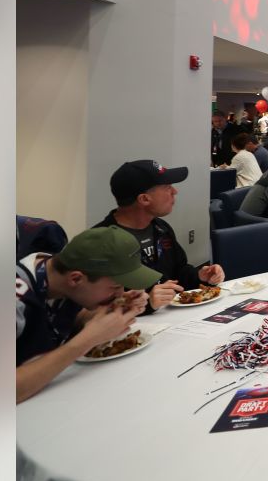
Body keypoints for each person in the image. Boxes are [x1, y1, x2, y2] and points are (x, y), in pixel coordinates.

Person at [16, 226, 155, 402]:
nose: (121, 293)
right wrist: (88, 340)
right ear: (75, 279)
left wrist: (114, 309)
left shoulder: (59, 276)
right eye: (115, 287)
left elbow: (70, 317)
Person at [94, 159, 225, 312]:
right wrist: (147, 302)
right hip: (131, 330)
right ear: (144, 199)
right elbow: (91, 309)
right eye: (167, 187)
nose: (175, 191)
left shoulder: (161, 228)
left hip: (172, 320)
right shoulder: (100, 244)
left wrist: (200, 277)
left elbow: (179, 271)